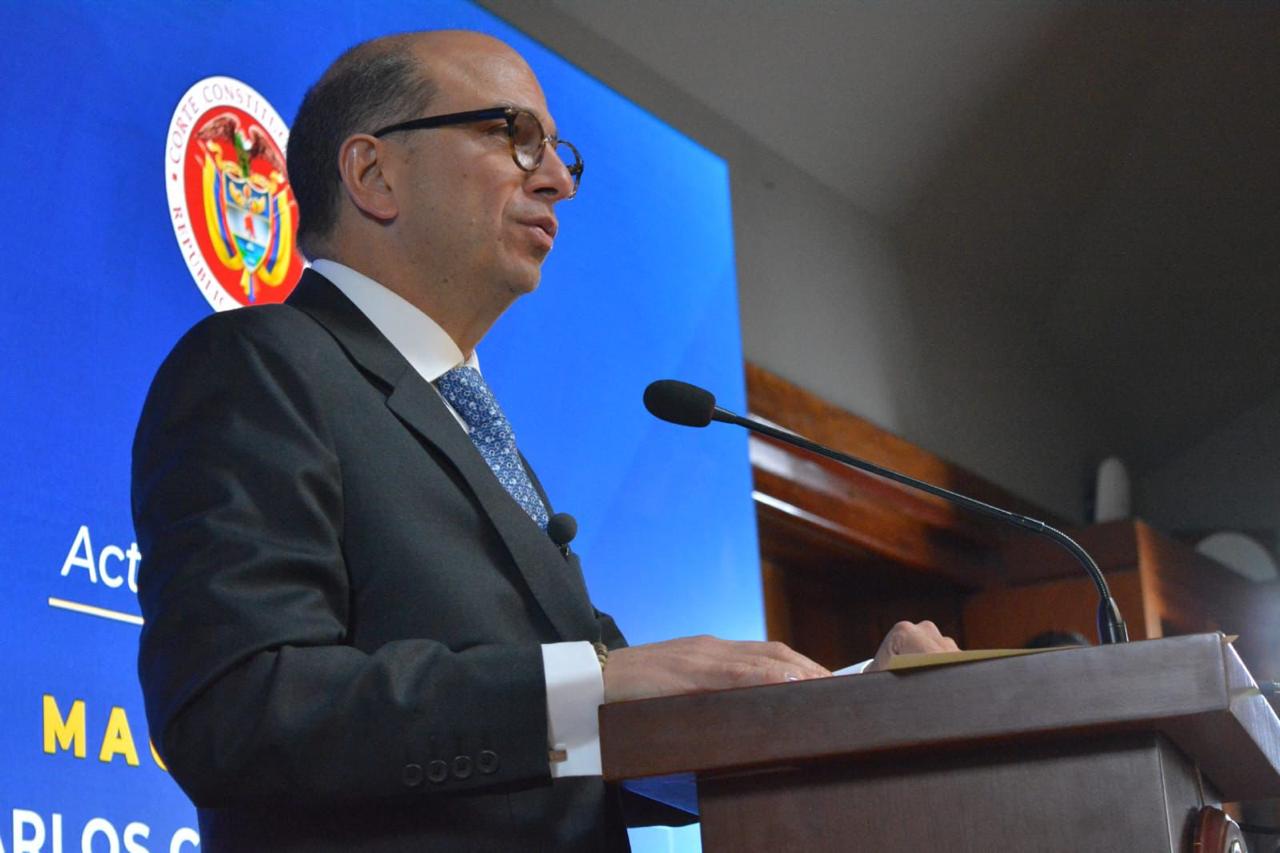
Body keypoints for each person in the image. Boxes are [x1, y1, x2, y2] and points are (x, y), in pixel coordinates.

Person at [133, 30, 958, 852]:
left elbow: (611, 741)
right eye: (514, 135)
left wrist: (854, 704)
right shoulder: (259, 366)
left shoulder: (467, 419)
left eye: (558, 152)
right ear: (374, 174)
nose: (558, 180)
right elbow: (237, 708)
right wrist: (590, 686)